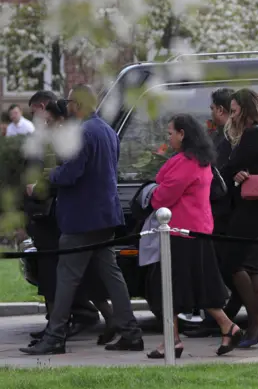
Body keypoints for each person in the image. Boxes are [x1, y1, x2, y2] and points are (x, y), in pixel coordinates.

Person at [20, 84, 143, 355]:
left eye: (71, 101)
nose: (67, 105)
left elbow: (71, 173)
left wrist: (43, 180)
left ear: (80, 104)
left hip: (82, 218)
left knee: (66, 277)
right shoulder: (107, 131)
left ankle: (54, 337)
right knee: (112, 276)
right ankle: (131, 333)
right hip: (104, 215)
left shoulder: (83, 133)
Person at [146, 114, 243, 358]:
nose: (168, 138)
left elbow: (162, 196)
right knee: (200, 286)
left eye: (170, 133)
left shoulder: (185, 163)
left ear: (182, 134)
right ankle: (225, 326)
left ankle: (174, 339)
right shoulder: (200, 160)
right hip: (196, 229)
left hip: (180, 231)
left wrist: (154, 193)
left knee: (167, 287)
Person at [23, 98, 115, 345]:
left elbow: (67, 174)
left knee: (64, 275)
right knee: (84, 272)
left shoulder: (71, 136)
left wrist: (40, 186)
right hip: (62, 214)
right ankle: (117, 324)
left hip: (60, 215)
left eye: (37, 112)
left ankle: (57, 331)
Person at [223, 89, 258, 348]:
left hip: (248, 207)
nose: (232, 115)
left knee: (234, 264)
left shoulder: (251, 133)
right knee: (252, 266)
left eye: (234, 110)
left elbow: (231, 166)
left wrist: (234, 172)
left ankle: (255, 321)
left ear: (245, 110)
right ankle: (257, 322)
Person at [183, 87, 236, 339]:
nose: (211, 113)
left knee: (213, 269)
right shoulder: (226, 135)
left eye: (213, 108)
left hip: (219, 209)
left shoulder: (225, 138)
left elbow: (218, 173)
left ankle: (218, 320)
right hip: (218, 209)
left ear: (221, 110)